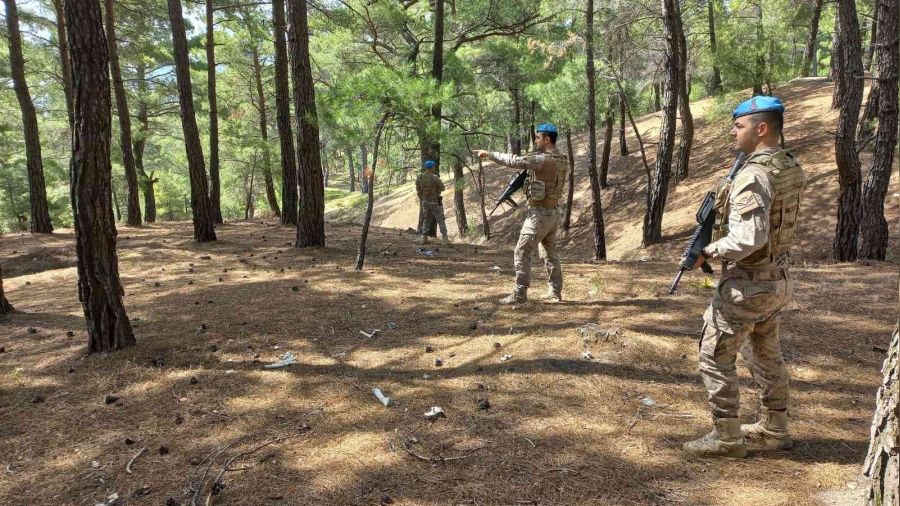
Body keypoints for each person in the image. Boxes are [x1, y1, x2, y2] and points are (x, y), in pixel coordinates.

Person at [681, 96, 806, 458]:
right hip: (777, 279)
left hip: (748, 283)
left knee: (714, 355)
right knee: (766, 354)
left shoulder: (754, 173)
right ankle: (775, 428)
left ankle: (727, 438)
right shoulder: (788, 165)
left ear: (761, 129)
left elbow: (750, 237)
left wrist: (709, 251)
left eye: (739, 126)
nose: (733, 132)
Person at [474, 123, 569, 304]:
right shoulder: (562, 159)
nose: (535, 140)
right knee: (550, 253)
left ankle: (519, 295)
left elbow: (514, 161)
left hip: (539, 215)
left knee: (522, 251)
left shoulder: (542, 160)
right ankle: (555, 293)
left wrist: (490, 154)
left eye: (538, 137)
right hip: (554, 212)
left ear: (547, 139)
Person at [416, 160, 448, 245]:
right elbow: (443, 188)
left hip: (425, 202)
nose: (434, 168)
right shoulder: (434, 177)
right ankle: (445, 239)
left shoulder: (419, 177)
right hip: (434, 202)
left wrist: (422, 199)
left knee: (426, 219)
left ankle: (424, 238)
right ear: (432, 168)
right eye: (434, 166)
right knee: (440, 219)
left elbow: (418, 191)